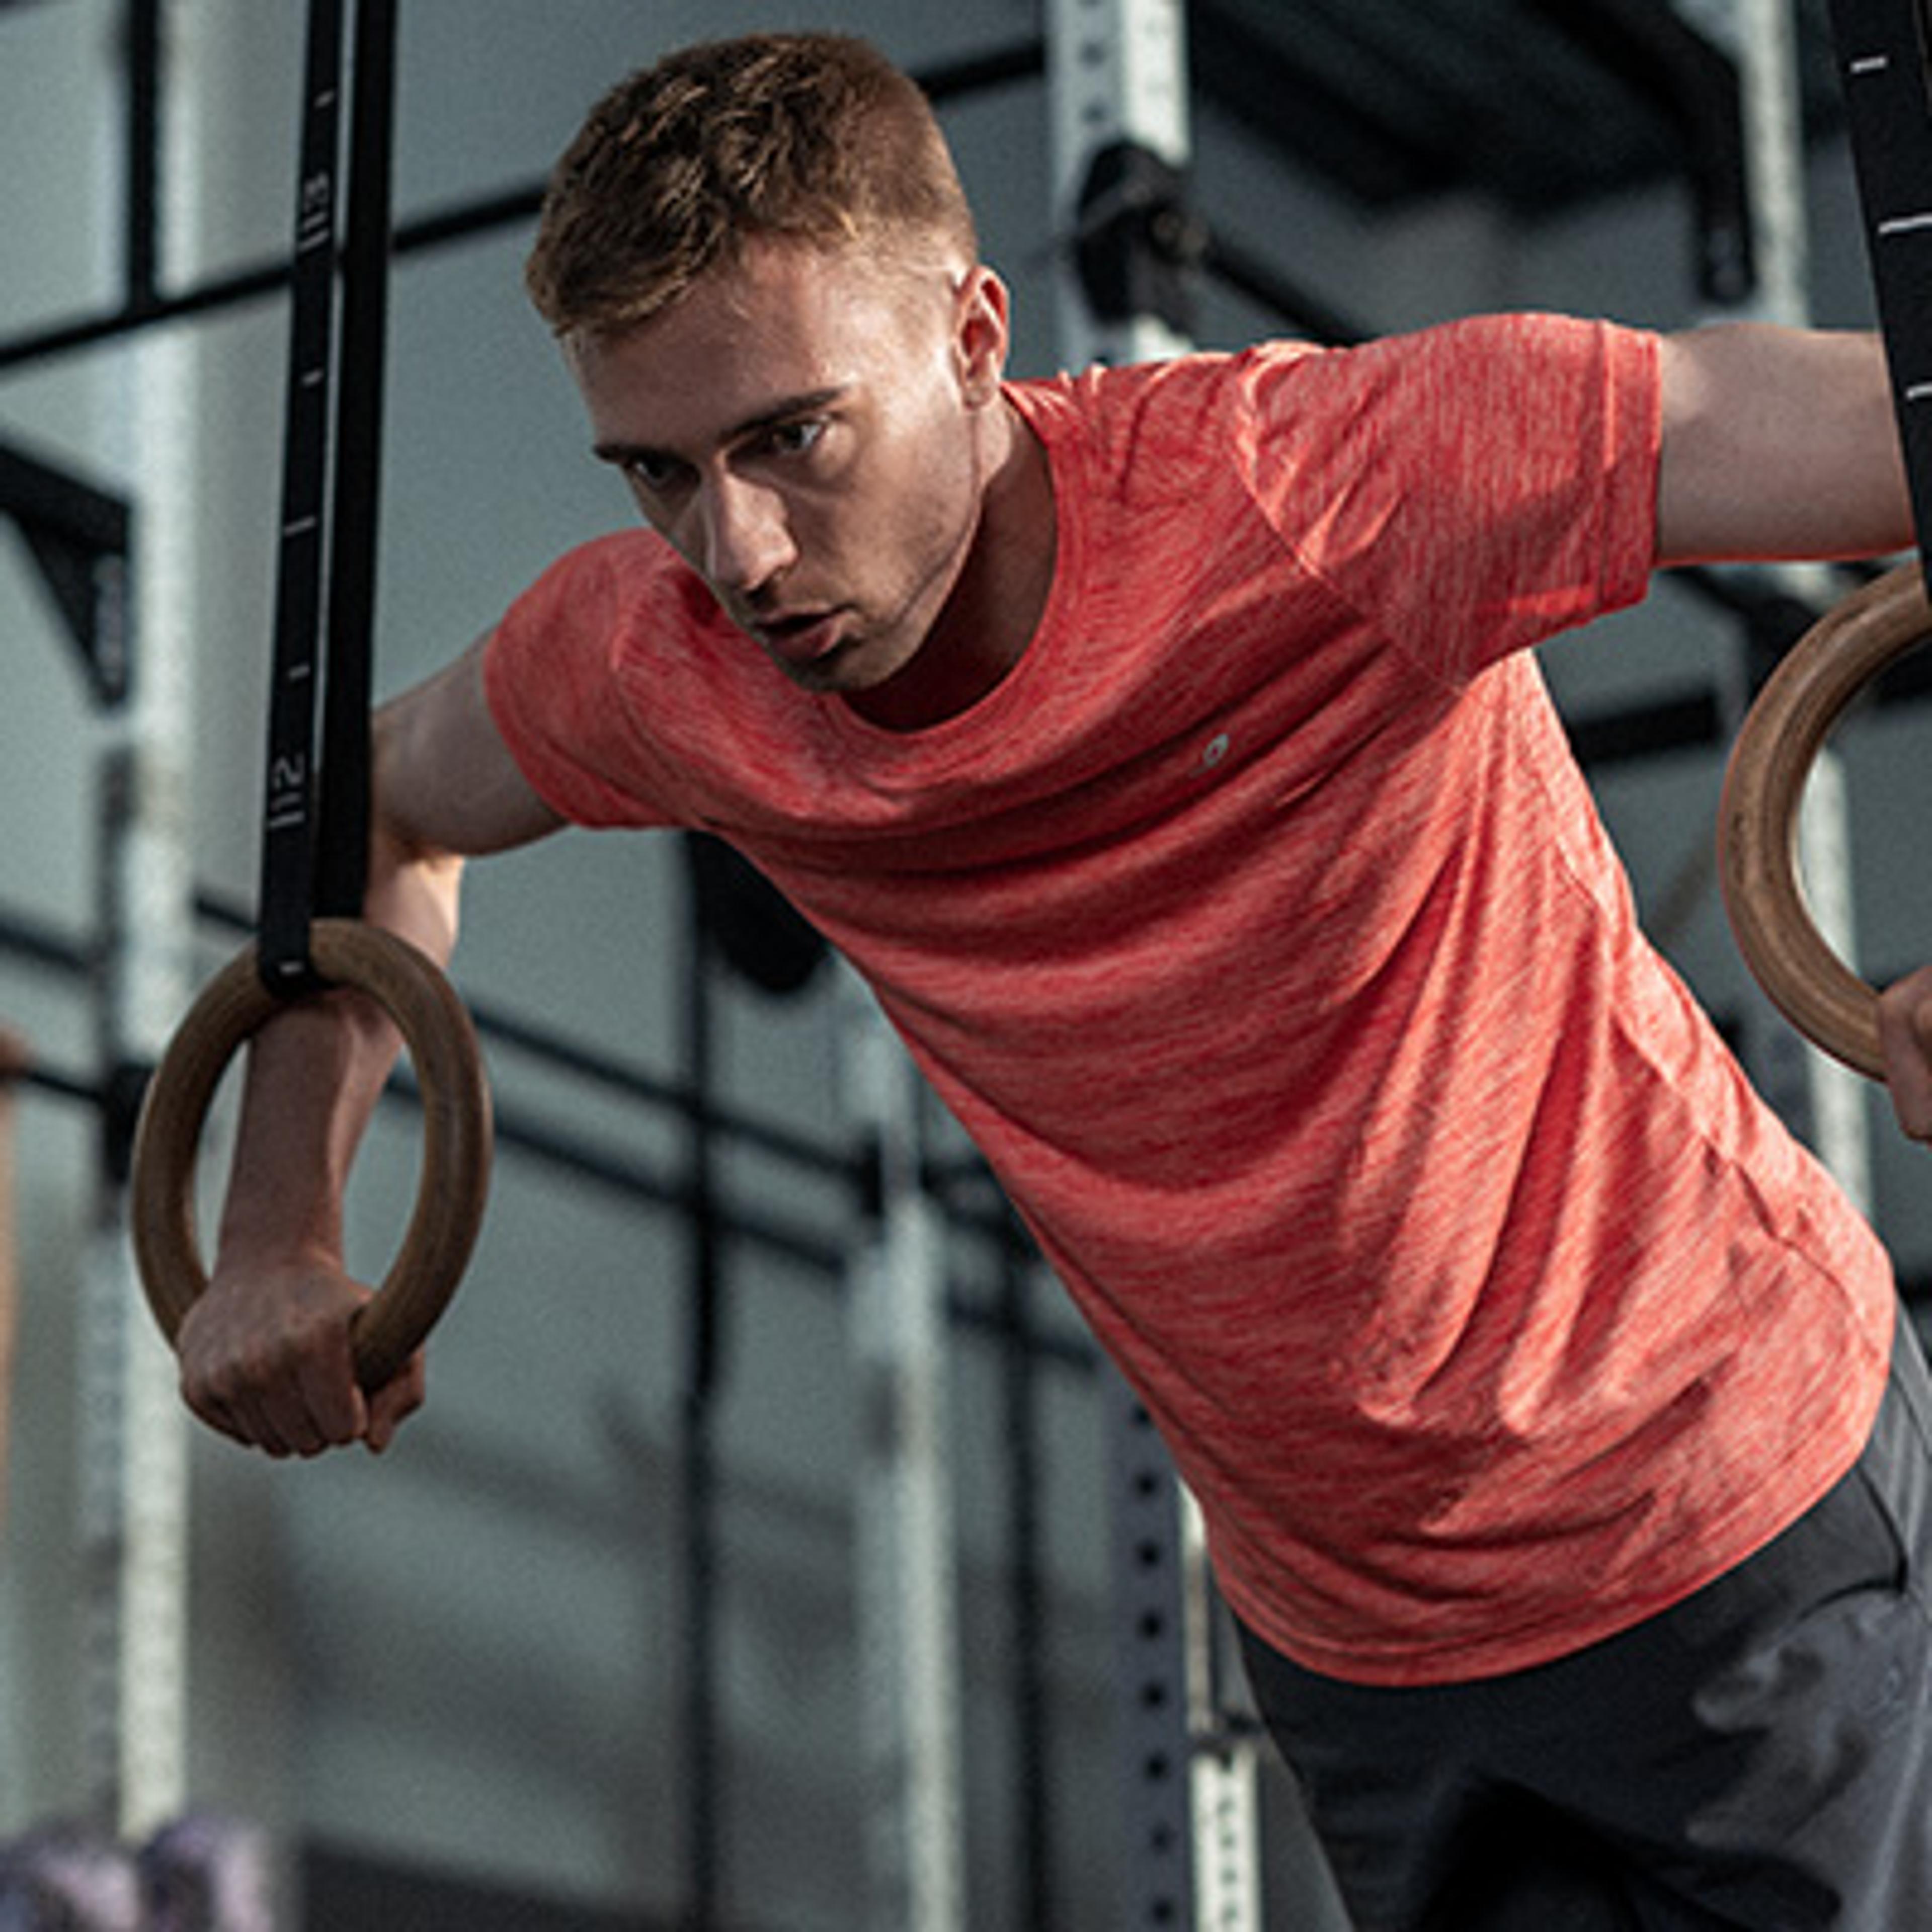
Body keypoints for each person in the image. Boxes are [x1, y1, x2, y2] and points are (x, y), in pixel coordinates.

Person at [178, 30, 1932, 1930]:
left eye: (792, 437)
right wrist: (280, 1218)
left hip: (1725, 1510)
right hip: (1354, 1641)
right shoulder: (665, 663)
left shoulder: (1329, 489)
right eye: (658, 474)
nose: (739, 553)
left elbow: (1877, 432)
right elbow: (364, 814)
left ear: (975, 334)